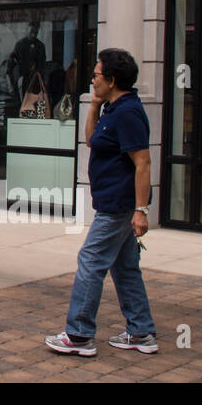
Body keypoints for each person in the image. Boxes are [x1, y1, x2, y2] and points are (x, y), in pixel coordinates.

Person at [46, 47, 157, 356]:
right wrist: (93, 106)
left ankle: (79, 335)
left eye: (95, 76)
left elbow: (143, 163)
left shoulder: (128, 113)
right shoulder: (113, 109)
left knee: (90, 262)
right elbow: (93, 141)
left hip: (119, 206)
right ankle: (141, 332)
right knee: (124, 269)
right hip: (113, 203)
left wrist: (141, 210)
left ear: (111, 79)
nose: (92, 80)